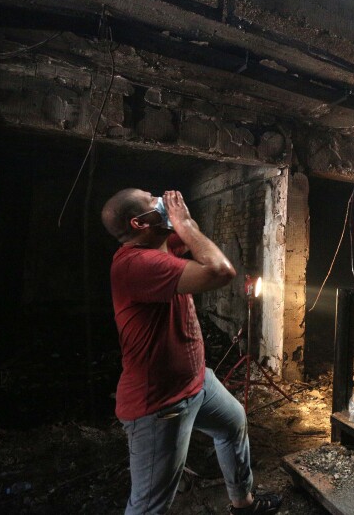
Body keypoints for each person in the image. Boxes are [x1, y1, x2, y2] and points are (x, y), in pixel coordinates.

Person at [101, 189, 282, 515]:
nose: (159, 197)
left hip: (196, 381)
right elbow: (220, 270)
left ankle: (243, 504)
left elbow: (191, 237)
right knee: (148, 505)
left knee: (232, 424)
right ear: (139, 223)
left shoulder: (157, 244)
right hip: (160, 402)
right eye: (151, 198)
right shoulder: (138, 264)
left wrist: (179, 222)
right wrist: (182, 221)